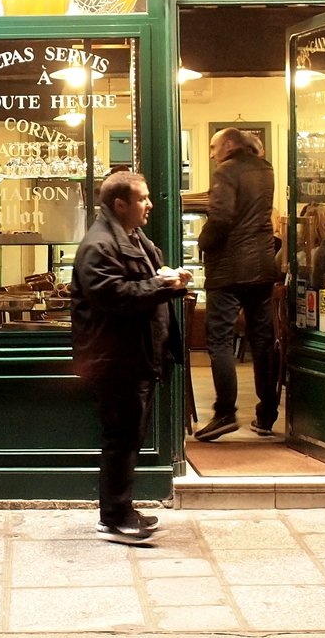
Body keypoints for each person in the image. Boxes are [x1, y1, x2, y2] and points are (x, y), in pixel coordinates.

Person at [70, 171, 190, 544]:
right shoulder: (99, 245)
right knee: (121, 438)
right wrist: (163, 284)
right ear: (119, 204)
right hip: (115, 358)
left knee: (128, 437)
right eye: (143, 199)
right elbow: (114, 296)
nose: (150, 205)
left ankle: (122, 509)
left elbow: (141, 281)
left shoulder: (133, 237)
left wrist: (165, 280)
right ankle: (114, 517)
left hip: (136, 354)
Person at [194, 129, 281, 441]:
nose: (212, 152)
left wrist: (202, 242)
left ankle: (225, 412)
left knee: (218, 340)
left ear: (229, 145)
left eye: (214, 146)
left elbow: (220, 218)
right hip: (262, 264)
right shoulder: (266, 168)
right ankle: (267, 413)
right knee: (262, 340)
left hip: (230, 268)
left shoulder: (226, 171)